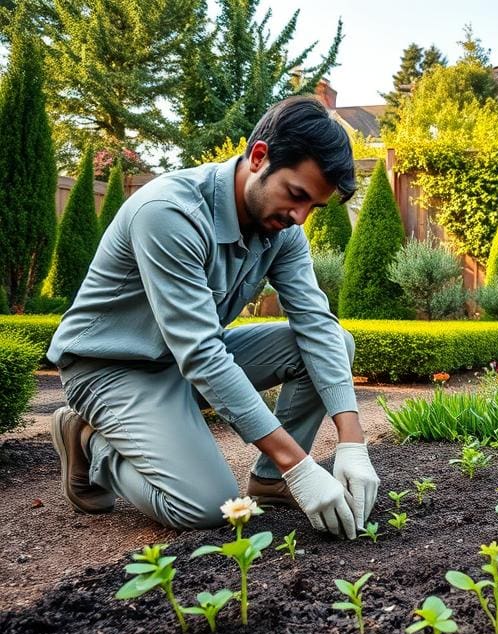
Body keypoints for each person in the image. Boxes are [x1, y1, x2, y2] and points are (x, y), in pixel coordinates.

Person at [47, 96, 379, 539]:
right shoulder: (169, 213)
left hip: (185, 363)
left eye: (312, 208)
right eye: (296, 195)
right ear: (259, 156)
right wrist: (300, 464)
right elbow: (202, 353)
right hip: (113, 369)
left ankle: (271, 481)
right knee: (205, 507)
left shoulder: (282, 230)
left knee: (335, 340)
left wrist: (352, 443)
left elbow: (317, 325)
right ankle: (91, 440)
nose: (299, 216)